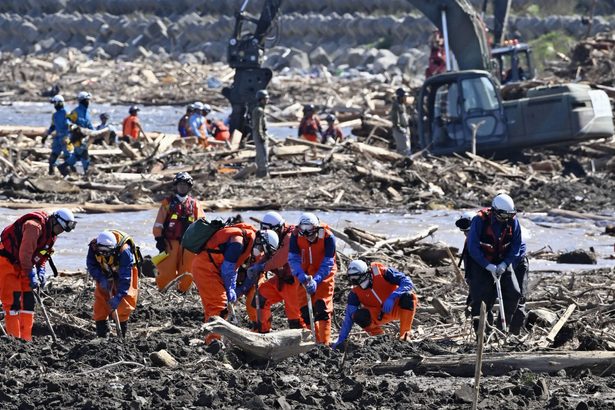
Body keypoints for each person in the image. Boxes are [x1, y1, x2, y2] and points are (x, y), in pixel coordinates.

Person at [0, 209, 77, 340]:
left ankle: (26, 339)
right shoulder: (33, 227)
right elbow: (25, 255)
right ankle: (14, 340)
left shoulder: (52, 232)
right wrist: (31, 274)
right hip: (7, 261)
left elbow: (42, 254)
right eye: (60, 229)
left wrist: (41, 269)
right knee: (12, 303)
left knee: (28, 303)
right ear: (54, 220)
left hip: (24, 265)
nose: (60, 232)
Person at [191, 218, 261, 352]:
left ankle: (212, 339)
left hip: (210, 268)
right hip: (205, 269)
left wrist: (233, 288)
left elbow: (232, 268)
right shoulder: (237, 243)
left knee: (214, 306)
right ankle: (213, 342)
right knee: (219, 305)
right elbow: (228, 269)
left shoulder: (241, 238)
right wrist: (230, 289)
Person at [466, 193, 528, 335]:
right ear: (494, 211)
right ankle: (482, 334)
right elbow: (472, 247)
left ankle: (502, 330)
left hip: (502, 261)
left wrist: (505, 264)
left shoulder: (513, 221)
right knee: (481, 298)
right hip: (481, 262)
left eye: (509, 215)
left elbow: (516, 245)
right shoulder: (479, 220)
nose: (506, 219)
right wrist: (488, 266)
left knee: (514, 292)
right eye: (503, 215)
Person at [239, 211, 303, 332]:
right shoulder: (278, 236)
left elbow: (279, 260)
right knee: (260, 298)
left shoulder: (291, 237)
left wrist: (261, 267)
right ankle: (263, 332)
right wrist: (257, 265)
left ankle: (305, 344)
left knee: (295, 319)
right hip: (281, 280)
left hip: (294, 281)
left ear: (280, 227)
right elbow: (269, 254)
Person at [332, 260, 417, 348]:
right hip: (379, 314)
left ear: (366, 273)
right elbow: (349, 317)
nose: (358, 283)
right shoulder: (355, 293)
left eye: (358, 278)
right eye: (353, 280)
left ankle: (405, 335)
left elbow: (407, 282)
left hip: (397, 306)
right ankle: (380, 338)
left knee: (408, 296)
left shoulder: (383, 272)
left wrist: (393, 296)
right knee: (357, 315)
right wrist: (341, 339)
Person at [289, 213, 336, 345]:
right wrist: (301, 275)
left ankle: (325, 343)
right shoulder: (295, 236)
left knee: (322, 307)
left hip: (324, 273)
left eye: (310, 233)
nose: (308, 237)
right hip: (304, 272)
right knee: (305, 311)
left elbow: (328, 262)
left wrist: (317, 279)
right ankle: (314, 341)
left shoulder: (328, 237)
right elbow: (293, 259)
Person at [152, 172, 203, 293]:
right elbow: (159, 222)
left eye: (185, 185)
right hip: (170, 243)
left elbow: (202, 223)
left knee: (187, 269)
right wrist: (159, 239)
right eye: (180, 184)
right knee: (166, 269)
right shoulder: (167, 203)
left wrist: (201, 242)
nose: (182, 187)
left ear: (189, 187)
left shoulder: (195, 204)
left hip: (189, 244)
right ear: (176, 186)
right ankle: (163, 290)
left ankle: (184, 291)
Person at [86, 230, 140, 338]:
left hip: (124, 270)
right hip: (105, 270)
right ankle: (102, 335)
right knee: (101, 300)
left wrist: (119, 296)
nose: (105, 254)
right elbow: (91, 265)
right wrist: (101, 278)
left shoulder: (125, 252)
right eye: (103, 251)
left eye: (108, 251)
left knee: (125, 302)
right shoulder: (93, 248)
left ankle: (121, 336)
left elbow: (125, 278)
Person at [42, 95, 71, 175]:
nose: (54, 106)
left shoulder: (66, 112)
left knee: (69, 156)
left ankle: (72, 175)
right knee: (52, 157)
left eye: (55, 103)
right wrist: (46, 136)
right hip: (58, 138)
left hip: (67, 138)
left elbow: (71, 125)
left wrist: (68, 136)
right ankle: (51, 174)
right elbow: (53, 126)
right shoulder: (55, 115)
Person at [252, 90, 270, 178]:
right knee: (263, 155)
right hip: (260, 134)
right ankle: (262, 174)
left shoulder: (260, 109)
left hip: (260, 133)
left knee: (260, 155)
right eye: (266, 99)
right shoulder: (259, 110)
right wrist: (261, 136)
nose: (267, 100)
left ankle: (258, 173)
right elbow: (258, 125)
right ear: (261, 100)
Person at [390, 88, 411, 156]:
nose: (406, 98)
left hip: (405, 129)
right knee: (403, 150)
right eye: (405, 97)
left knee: (407, 149)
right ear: (401, 97)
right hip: (400, 130)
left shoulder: (402, 105)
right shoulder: (396, 106)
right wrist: (401, 130)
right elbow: (395, 120)